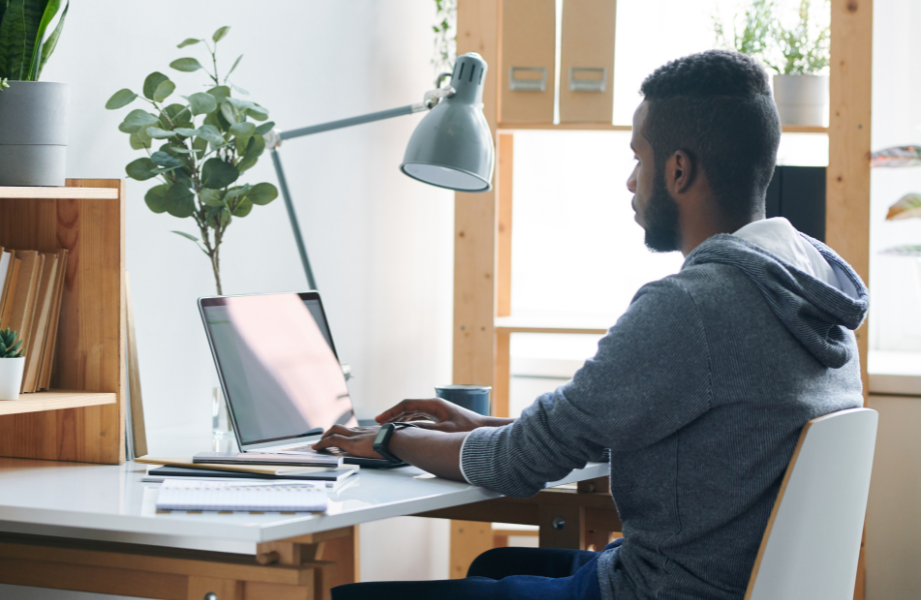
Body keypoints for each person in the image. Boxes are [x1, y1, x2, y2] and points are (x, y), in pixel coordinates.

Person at [318, 49, 869, 600]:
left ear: (678, 170)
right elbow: (654, 431)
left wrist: (392, 436)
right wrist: (476, 426)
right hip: (726, 580)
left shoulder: (693, 307)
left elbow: (517, 466)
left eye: (639, 158)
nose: (632, 181)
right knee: (491, 562)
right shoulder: (810, 287)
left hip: (658, 590)